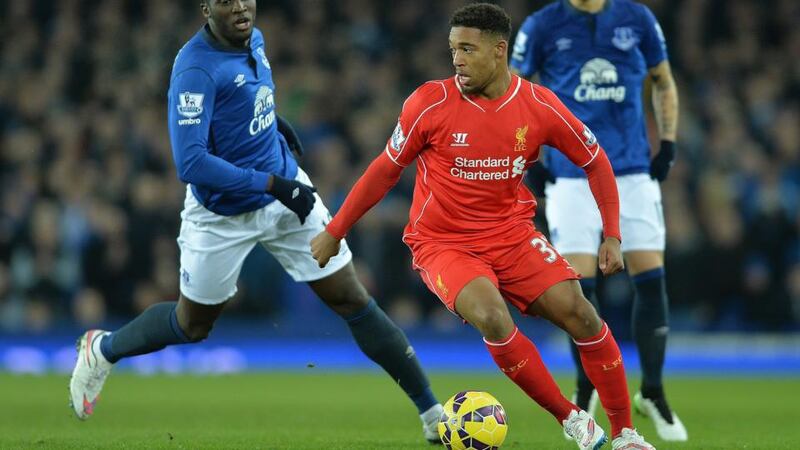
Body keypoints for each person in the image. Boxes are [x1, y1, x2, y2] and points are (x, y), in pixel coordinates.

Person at [68, 0, 444, 442]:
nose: (241, 7)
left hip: (285, 192)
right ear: (206, 8)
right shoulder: (195, 70)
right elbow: (190, 162)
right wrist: (272, 184)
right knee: (194, 325)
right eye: (227, 1)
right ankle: (103, 349)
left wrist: (274, 126)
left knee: (350, 296)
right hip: (222, 214)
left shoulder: (254, 38)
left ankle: (433, 414)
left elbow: (243, 100)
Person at [312, 3, 656, 449]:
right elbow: (384, 170)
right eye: (453, 49)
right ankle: (570, 418)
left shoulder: (538, 105)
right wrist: (336, 229)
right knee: (493, 316)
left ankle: (626, 434)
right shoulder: (429, 102)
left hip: (512, 235)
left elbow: (595, 161)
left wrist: (612, 233)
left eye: (467, 49)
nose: (457, 59)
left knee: (583, 314)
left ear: (499, 51)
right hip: (443, 243)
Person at [510, 0, 686, 442]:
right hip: (571, 176)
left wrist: (667, 141)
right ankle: (587, 385)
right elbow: (514, 91)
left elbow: (663, 81)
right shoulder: (543, 25)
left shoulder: (637, 18)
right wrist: (529, 155)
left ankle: (654, 392)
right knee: (577, 291)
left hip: (629, 171)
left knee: (650, 278)